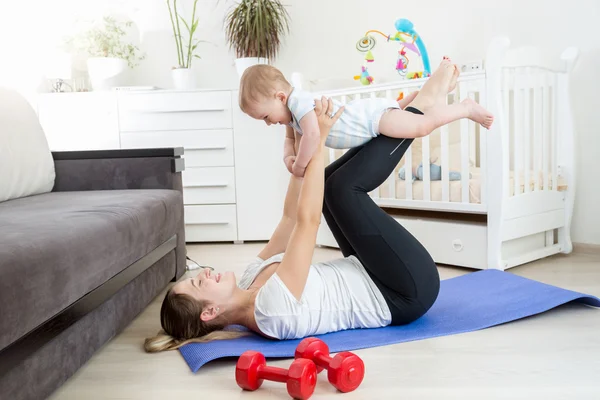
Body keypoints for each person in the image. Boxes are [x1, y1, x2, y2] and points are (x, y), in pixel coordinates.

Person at [144, 69, 454, 352]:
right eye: (200, 283)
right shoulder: (270, 310)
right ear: (210, 312)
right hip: (404, 290)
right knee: (342, 191)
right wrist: (315, 140)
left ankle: (409, 112)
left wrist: (296, 158)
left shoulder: (250, 278)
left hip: (370, 269)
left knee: (332, 185)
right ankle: (423, 106)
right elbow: (307, 223)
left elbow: (291, 218)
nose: (205, 273)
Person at [238, 59, 494, 177]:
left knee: (422, 126)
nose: (269, 123)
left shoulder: (300, 103)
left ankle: (465, 108)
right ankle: (427, 96)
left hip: (373, 120)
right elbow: (289, 140)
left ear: (280, 97)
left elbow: (313, 136)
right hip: (369, 114)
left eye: (266, 117)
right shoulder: (292, 114)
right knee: (412, 114)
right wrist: (287, 157)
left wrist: (300, 166)